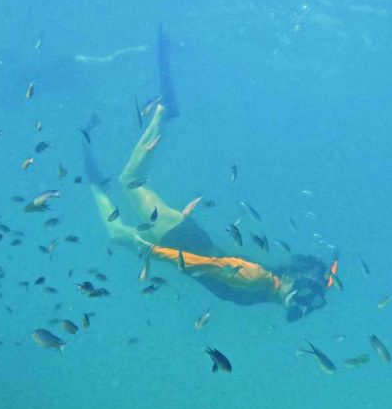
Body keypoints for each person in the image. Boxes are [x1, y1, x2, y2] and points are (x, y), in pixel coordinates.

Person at [86, 29, 336, 322]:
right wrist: (155, 252)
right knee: (128, 180)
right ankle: (163, 112)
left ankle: (92, 180)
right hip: (177, 237)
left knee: (117, 233)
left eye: (312, 303)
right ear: (292, 279)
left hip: (180, 239)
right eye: (307, 295)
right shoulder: (258, 279)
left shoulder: (267, 290)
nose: (304, 305)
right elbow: (208, 264)